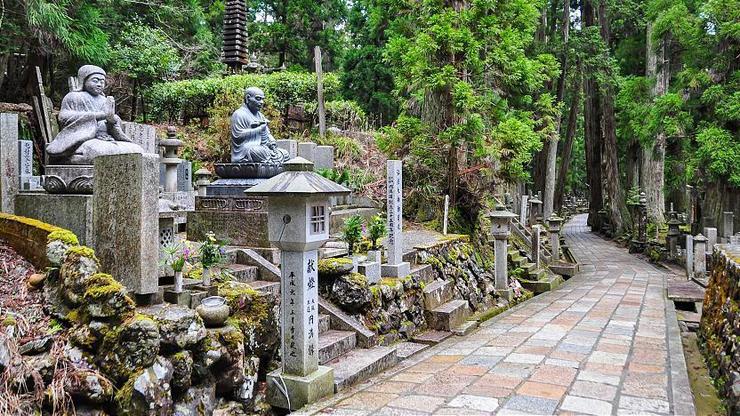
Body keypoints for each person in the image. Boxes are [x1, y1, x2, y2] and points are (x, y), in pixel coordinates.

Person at [46, 65, 143, 164]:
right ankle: (72, 158)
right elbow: (63, 117)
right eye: (95, 80)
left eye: (102, 82)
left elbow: (112, 121)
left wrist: (112, 120)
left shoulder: (105, 100)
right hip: (83, 138)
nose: (99, 84)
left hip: (107, 138)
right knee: (100, 152)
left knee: (137, 151)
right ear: (84, 81)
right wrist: (97, 115)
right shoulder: (74, 97)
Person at [230, 87, 289, 164]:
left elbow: (267, 133)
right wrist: (259, 129)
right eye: (258, 99)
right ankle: (272, 162)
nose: (261, 102)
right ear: (248, 98)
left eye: (262, 99)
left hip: (263, 147)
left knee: (285, 153)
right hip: (246, 150)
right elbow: (238, 136)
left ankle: (271, 161)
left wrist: (271, 142)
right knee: (256, 152)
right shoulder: (239, 114)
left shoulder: (260, 115)